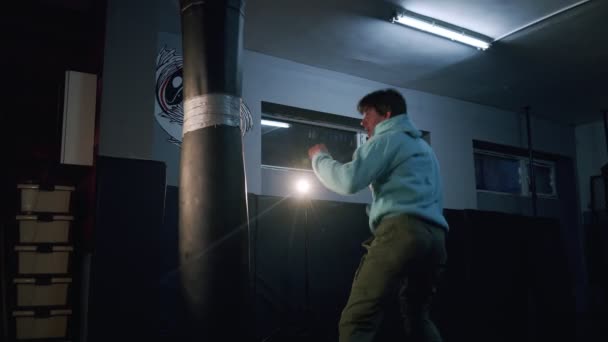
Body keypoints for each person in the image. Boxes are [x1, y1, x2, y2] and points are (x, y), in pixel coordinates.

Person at [307, 89, 449, 342]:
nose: (363, 122)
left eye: (367, 114)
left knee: (357, 319)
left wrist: (320, 159)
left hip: (401, 233)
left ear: (387, 114)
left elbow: (348, 181)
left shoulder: (388, 138)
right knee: (418, 316)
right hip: (436, 240)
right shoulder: (424, 149)